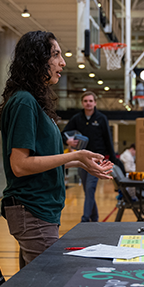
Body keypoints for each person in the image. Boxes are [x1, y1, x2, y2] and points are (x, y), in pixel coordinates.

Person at [0, 31, 112, 268]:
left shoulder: (33, 102)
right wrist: (76, 154)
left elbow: (41, 159)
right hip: (32, 209)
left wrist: (79, 161)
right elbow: (20, 165)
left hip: (41, 210)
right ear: (38, 60)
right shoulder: (24, 102)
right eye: (56, 55)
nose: (63, 62)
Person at [62, 91, 118, 223]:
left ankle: (85, 219)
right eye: (86, 101)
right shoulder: (77, 118)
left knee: (90, 188)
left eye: (90, 101)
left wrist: (113, 159)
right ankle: (95, 217)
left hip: (97, 159)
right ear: (82, 103)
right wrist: (68, 141)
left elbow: (108, 139)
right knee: (88, 192)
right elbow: (63, 133)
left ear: (95, 103)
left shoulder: (101, 118)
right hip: (81, 159)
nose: (88, 103)